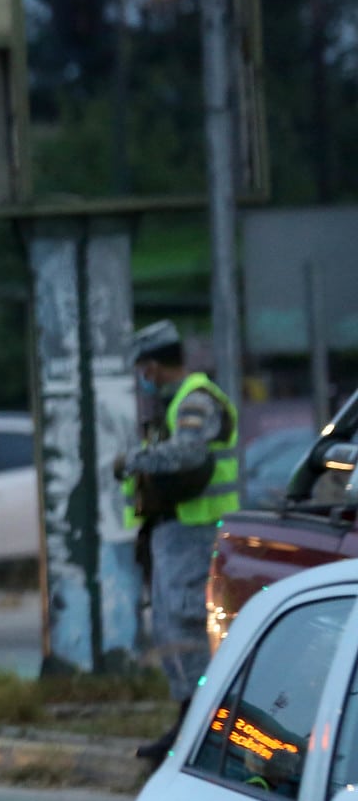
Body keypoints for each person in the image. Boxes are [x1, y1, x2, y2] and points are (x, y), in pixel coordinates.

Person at [115, 320, 238, 761]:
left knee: (186, 625)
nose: (142, 378)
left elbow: (189, 453)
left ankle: (202, 723)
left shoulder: (196, 399)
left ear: (152, 365)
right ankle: (190, 718)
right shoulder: (176, 402)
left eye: (143, 368)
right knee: (169, 625)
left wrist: (134, 460)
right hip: (175, 530)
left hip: (197, 528)